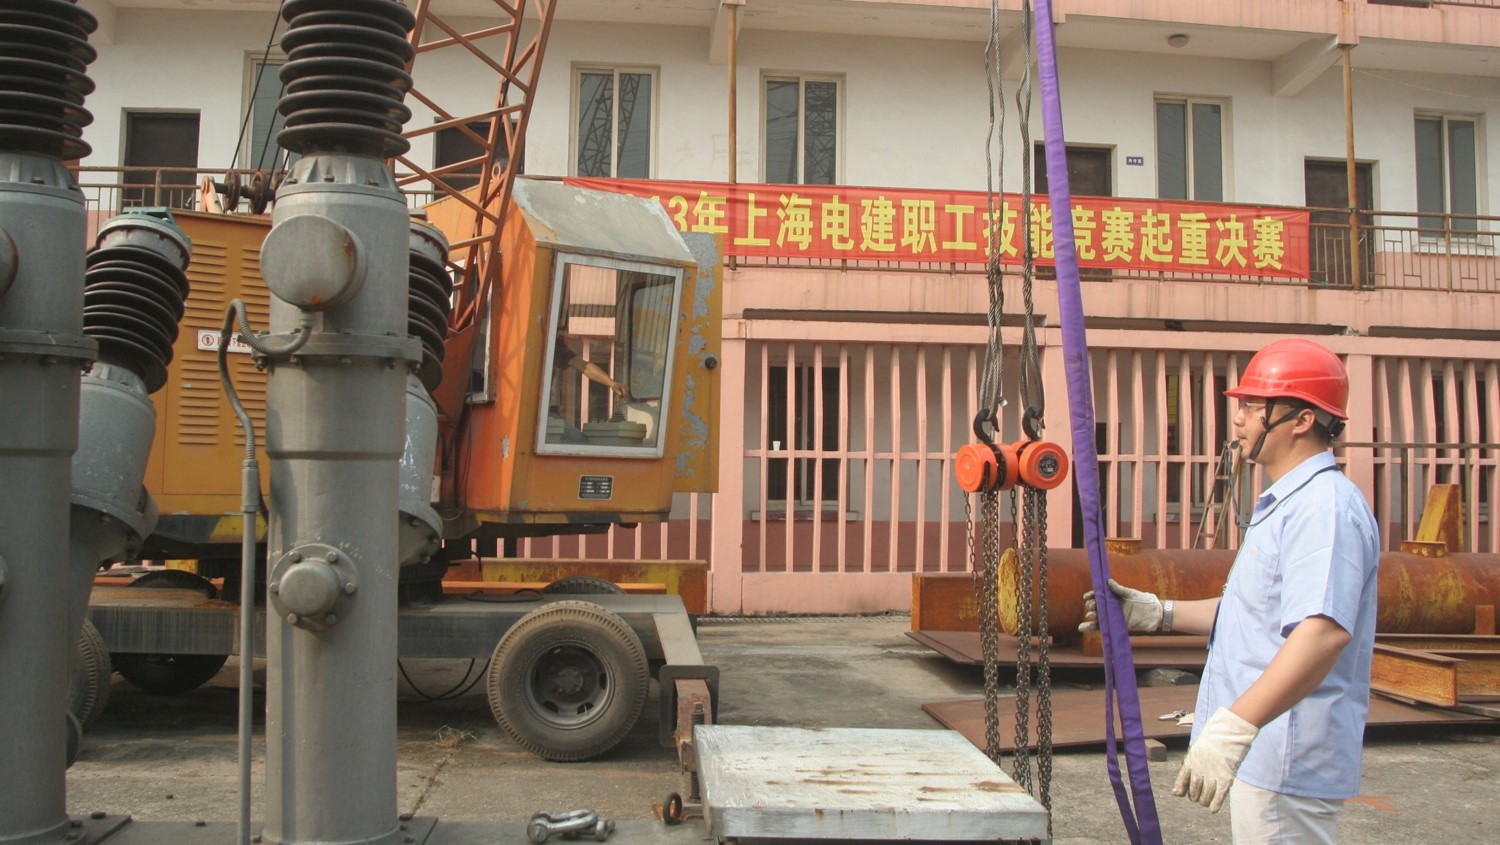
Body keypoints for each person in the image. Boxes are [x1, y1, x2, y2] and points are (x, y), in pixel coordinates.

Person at [1081, 338, 1380, 844]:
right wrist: (1158, 613)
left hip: (1285, 754)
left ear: (1302, 420)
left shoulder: (1323, 508)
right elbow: (1252, 612)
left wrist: (1236, 725)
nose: (1238, 420)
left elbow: (1322, 633)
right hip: (1265, 750)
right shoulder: (1289, 502)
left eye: (1252, 406)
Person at [550, 334, 626, 443]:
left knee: (579, 440)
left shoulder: (556, 346)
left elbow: (583, 366)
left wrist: (613, 384)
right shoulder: (544, 344)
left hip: (546, 413)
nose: (562, 329)